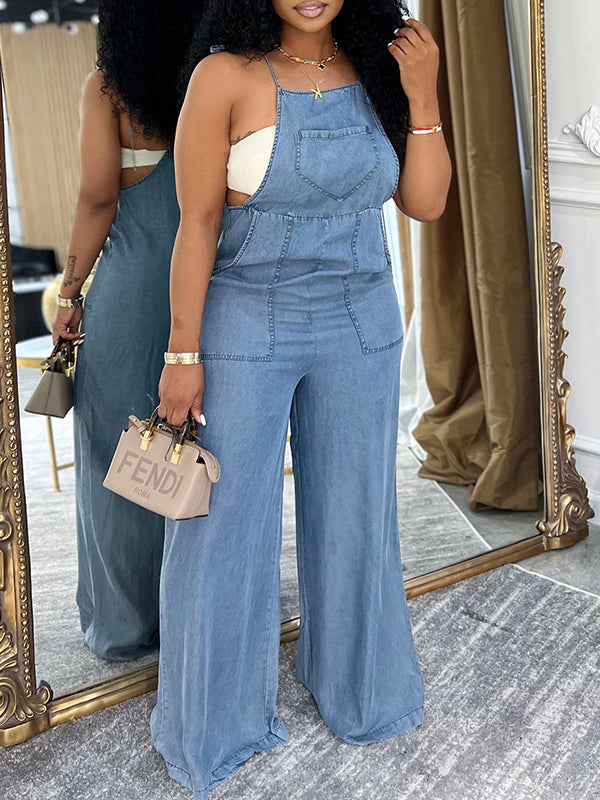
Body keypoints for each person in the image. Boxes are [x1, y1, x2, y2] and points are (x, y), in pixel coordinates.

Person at [154, 0, 451, 795]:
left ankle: (359, 690)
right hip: (245, 321)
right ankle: (215, 724)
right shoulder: (223, 77)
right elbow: (197, 223)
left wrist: (423, 93)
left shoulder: (383, 67)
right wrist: (182, 351)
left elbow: (425, 204)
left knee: (358, 515)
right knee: (220, 525)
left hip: (361, 323)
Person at [52, 0, 204, 661]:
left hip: (130, 295)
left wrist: (69, 292)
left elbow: (96, 198)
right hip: (208, 296)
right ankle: (192, 609)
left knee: (114, 455)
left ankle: (124, 622)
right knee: (194, 449)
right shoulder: (221, 76)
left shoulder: (108, 91)